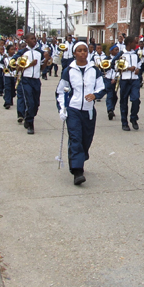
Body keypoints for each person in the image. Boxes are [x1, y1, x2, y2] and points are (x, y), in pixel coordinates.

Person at [57, 42, 107, 185]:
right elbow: (61, 91)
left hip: (89, 111)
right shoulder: (69, 70)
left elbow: (102, 88)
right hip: (73, 109)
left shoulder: (94, 70)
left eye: (85, 50)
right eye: (79, 51)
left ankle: (80, 158)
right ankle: (77, 170)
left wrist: (95, 95)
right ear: (74, 54)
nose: (83, 53)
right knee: (75, 137)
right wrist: (62, 109)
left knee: (86, 139)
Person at [14, 33, 43, 135]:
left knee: (36, 104)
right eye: (32, 39)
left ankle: (28, 116)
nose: (34, 40)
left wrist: (47, 59)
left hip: (36, 80)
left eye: (35, 39)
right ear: (26, 40)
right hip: (26, 80)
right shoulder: (22, 52)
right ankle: (30, 124)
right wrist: (30, 65)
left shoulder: (40, 52)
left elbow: (42, 67)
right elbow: (17, 67)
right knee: (30, 102)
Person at [117, 35, 141, 131]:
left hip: (134, 80)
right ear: (129, 43)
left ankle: (133, 118)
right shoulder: (122, 54)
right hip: (125, 80)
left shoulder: (135, 54)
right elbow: (115, 66)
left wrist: (138, 69)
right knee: (124, 101)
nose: (136, 44)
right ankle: (124, 122)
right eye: (134, 42)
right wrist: (127, 68)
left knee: (136, 100)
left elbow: (139, 64)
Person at [104, 44, 119, 120]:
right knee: (110, 95)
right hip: (108, 79)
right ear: (111, 51)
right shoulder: (107, 58)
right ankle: (109, 110)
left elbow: (120, 70)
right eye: (115, 50)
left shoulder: (119, 59)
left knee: (115, 96)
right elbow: (103, 69)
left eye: (118, 50)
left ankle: (112, 109)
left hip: (115, 79)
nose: (117, 51)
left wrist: (116, 78)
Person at [2, 44, 17, 110]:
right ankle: (7, 102)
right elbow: (0, 64)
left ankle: (10, 98)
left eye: (14, 49)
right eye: (11, 49)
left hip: (14, 75)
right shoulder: (4, 58)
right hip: (7, 75)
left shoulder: (16, 57)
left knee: (13, 89)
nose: (13, 51)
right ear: (8, 51)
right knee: (7, 88)